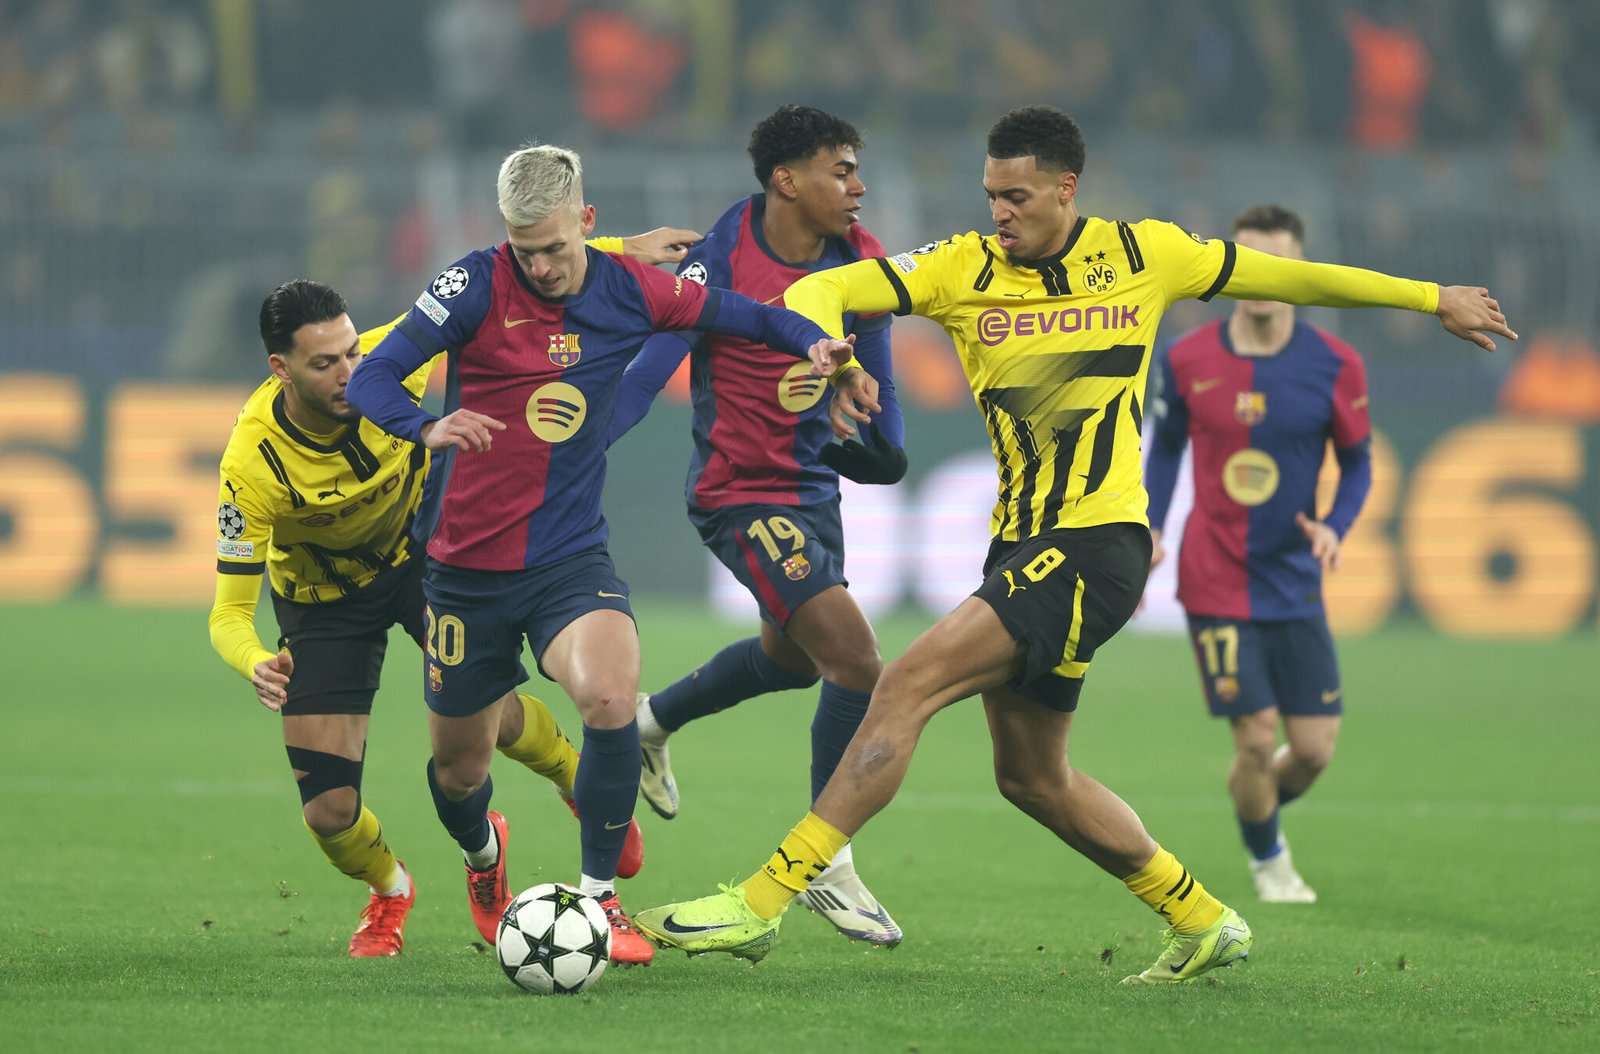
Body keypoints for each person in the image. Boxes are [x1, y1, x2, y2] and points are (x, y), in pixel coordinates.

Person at [635, 105, 1515, 983]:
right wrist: (837, 348)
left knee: (902, 684)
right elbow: (818, 290)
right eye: (991, 195)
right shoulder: (958, 267)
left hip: (1098, 541)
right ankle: (1202, 918)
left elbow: (1290, 277)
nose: (999, 214)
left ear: (1066, 189)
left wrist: (1432, 296)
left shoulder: (1146, 256)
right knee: (1031, 778)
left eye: (1016, 196)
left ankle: (760, 902)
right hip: (1021, 545)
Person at [343, 143, 852, 967]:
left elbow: (743, 313)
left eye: (552, 246)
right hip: (464, 570)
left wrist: (811, 342)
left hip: (567, 562)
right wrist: (425, 426)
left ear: (587, 222)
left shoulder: (632, 288)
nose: (539, 266)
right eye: (523, 249)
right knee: (460, 771)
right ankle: (484, 856)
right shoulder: (472, 284)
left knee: (612, 698)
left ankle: (599, 901)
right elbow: (375, 375)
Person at [207, 229, 689, 958]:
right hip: (323, 603)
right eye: (324, 363)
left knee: (486, 725)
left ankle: (573, 778)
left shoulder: (391, 357)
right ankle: (392, 890)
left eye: (352, 354)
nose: (348, 372)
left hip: (426, 559)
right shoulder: (252, 461)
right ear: (280, 369)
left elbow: (500, 278)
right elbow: (228, 613)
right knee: (331, 814)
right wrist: (254, 662)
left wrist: (615, 249)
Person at [607, 105, 907, 946]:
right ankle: (827, 863)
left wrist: (885, 452)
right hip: (738, 493)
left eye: (855, 170)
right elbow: (646, 375)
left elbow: (880, 396)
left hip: (812, 493)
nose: (857, 186)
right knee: (855, 658)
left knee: (792, 661)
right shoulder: (720, 258)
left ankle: (648, 723)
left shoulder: (863, 259)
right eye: (840, 170)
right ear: (787, 181)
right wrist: (576, 451)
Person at [1144, 204, 1369, 904]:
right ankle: (1270, 862)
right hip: (1214, 575)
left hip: (1294, 577)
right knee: (1253, 738)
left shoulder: (1335, 365)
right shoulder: (1186, 358)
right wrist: (1150, 525)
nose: (1263, 280)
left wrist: (1335, 523)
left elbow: (1357, 463)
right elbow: (1168, 446)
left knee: (1311, 751)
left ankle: (1254, 802)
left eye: (1279, 266)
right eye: (1250, 264)